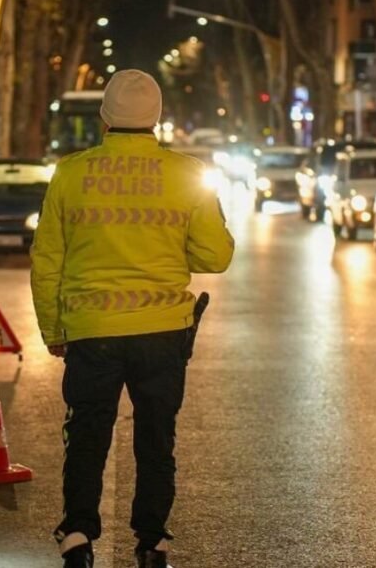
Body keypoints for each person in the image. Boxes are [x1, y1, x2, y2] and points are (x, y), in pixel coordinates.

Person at [31, 69, 235, 568]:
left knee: (87, 435)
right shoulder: (186, 173)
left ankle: (78, 534)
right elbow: (216, 256)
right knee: (156, 437)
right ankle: (152, 541)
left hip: (92, 332)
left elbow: (46, 259)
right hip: (163, 332)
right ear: (157, 119)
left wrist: (53, 330)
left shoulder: (71, 173)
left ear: (105, 116)